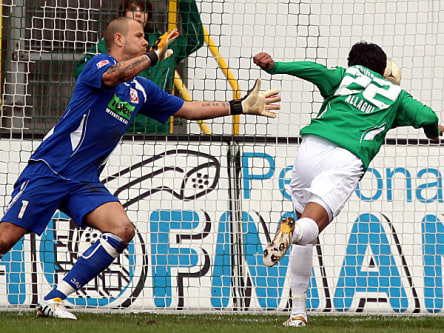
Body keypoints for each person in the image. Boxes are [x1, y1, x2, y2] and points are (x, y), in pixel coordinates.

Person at [0, 17, 280, 320]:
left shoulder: (141, 89)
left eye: (146, 38)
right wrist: (152, 57)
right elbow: (112, 77)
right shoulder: (99, 63)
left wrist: (239, 105)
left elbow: (188, 109)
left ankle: (54, 299)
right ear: (119, 40)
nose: (146, 41)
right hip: (51, 169)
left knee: (121, 230)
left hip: (83, 181)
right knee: (4, 239)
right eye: (139, 36)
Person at [254, 42, 444, 327]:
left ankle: (297, 313)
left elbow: (314, 70)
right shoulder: (396, 95)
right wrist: (432, 132)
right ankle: (290, 233)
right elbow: (428, 117)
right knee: (308, 230)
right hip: (346, 157)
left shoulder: (344, 76)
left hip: (311, 148)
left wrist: (275, 66)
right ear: (384, 69)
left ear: (353, 62)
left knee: (304, 224)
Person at [74, 0, 204, 134]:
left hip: (158, 132)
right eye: (132, 10)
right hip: (117, 131)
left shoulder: (164, 44)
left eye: (143, 10)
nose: (138, 14)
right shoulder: (108, 44)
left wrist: (184, 2)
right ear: (122, 14)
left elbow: (195, 40)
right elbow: (82, 72)